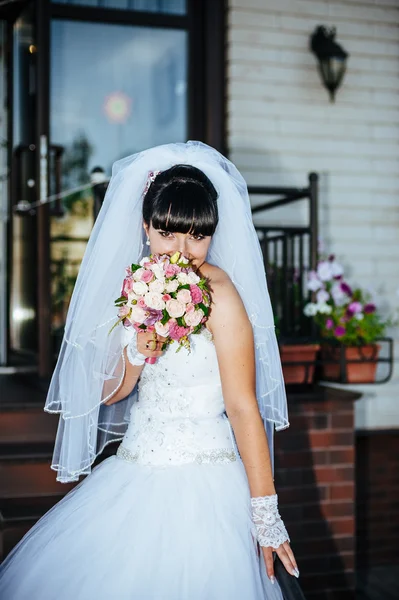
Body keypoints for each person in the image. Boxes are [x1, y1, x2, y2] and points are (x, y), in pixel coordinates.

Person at [0, 141, 298, 599]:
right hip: (135, 469)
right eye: (168, 234)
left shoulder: (221, 293)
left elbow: (242, 405)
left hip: (206, 481)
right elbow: (113, 394)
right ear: (146, 227)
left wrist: (265, 513)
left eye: (197, 235)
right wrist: (137, 352)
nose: (182, 250)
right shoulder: (136, 285)